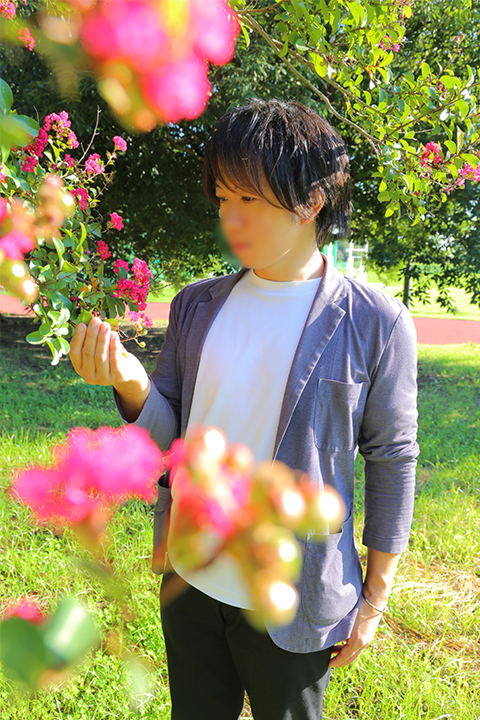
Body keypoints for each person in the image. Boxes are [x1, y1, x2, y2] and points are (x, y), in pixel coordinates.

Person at [69, 98, 419, 720]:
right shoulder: (196, 306)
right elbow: (169, 442)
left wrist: (374, 598)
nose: (230, 217)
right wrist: (131, 383)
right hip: (190, 577)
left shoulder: (376, 322)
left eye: (249, 198)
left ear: (311, 201)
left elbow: (393, 457)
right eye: (223, 199)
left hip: (293, 594)